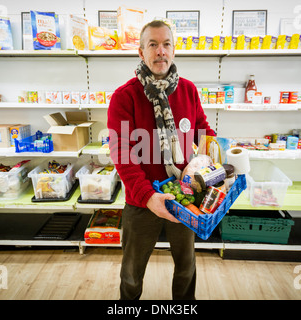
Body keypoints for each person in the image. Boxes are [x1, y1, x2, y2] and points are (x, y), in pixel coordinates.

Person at [107, 20, 216, 300]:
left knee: (186, 267)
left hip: (185, 195)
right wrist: (147, 196)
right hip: (141, 200)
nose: (160, 51)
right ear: (141, 52)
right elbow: (122, 155)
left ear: (174, 50)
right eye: (152, 45)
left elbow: (203, 130)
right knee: (131, 272)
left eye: (166, 44)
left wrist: (220, 157)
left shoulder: (189, 90)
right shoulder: (124, 97)